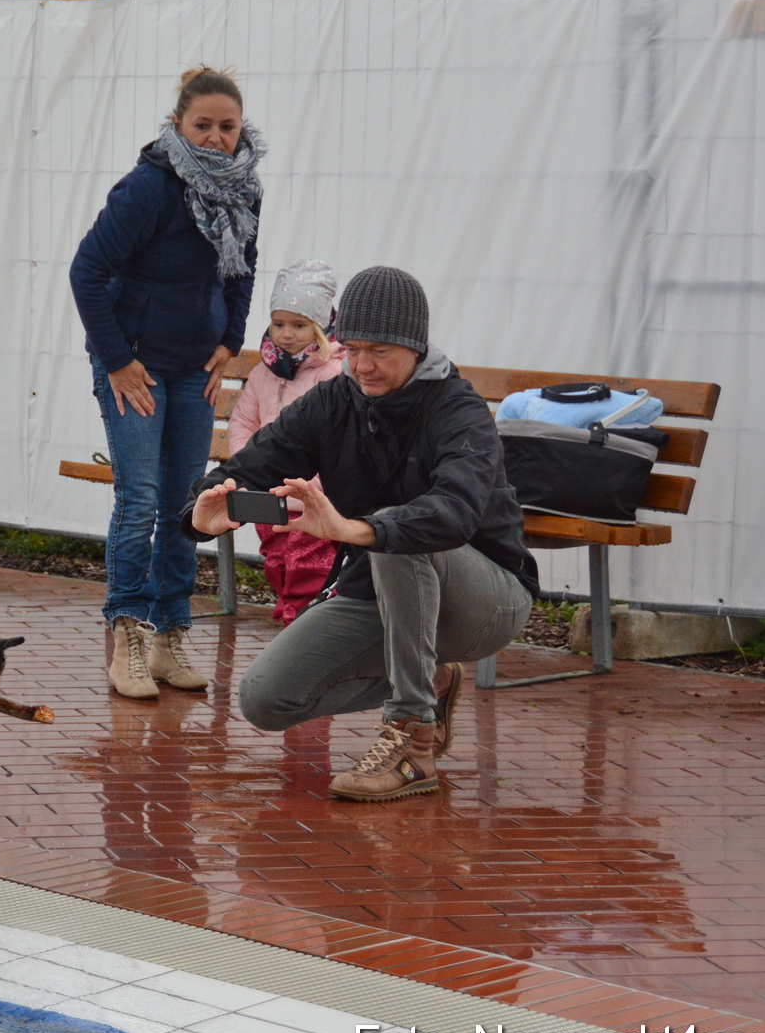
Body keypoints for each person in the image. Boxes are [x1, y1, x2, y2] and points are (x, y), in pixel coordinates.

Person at [184, 266, 538, 801]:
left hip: (487, 599)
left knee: (399, 530)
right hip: (384, 587)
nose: (363, 366)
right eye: (351, 349)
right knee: (267, 700)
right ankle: (433, 678)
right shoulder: (334, 400)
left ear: (416, 347)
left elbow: (454, 512)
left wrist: (357, 529)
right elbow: (259, 460)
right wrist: (203, 508)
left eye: (381, 351)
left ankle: (411, 741)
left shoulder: (459, 410)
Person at [70, 66, 264, 701]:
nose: (214, 138)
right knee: (141, 498)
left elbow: (242, 270)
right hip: (137, 369)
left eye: (226, 127)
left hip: (192, 370)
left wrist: (229, 341)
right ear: (178, 124)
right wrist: (117, 359)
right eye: (201, 125)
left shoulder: (244, 188)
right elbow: (87, 271)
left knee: (187, 502)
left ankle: (170, 636)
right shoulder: (149, 187)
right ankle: (127, 631)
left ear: (241, 130)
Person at [226, 260, 348, 626]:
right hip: (268, 488)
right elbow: (243, 421)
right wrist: (249, 464)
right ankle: (287, 604)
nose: (287, 334)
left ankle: (306, 615)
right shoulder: (265, 373)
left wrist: (319, 483)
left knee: (309, 558)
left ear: (321, 325)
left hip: (311, 491)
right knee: (275, 553)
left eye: (298, 325)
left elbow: (337, 434)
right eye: (278, 324)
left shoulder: (332, 372)